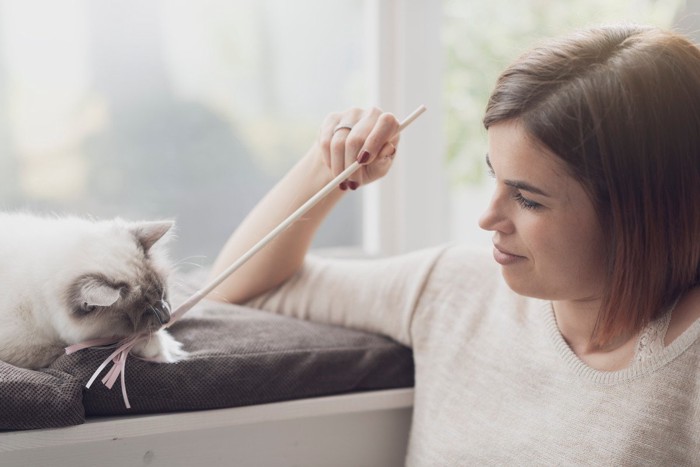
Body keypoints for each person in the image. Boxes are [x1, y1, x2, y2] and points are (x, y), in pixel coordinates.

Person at [208, 24, 700, 465]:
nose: (487, 218)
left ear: (642, 212)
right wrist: (332, 166)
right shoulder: (453, 290)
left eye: (528, 200)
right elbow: (239, 286)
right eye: (495, 177)